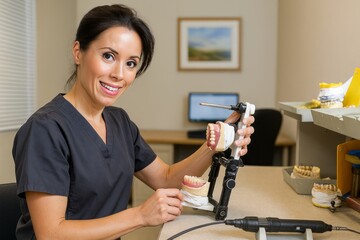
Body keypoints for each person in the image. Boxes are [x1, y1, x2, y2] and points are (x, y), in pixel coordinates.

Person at [12, 4, 254, 240]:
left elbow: (167, 179)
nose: (119, 74)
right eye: (108, 56)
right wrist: (140, 215)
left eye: (131, 63)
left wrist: (216, 143)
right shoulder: (44, 130)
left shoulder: (119, 121)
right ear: (78, 52)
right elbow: (51, 234)